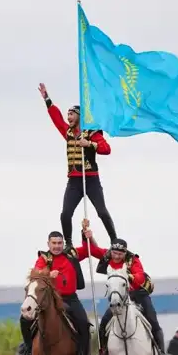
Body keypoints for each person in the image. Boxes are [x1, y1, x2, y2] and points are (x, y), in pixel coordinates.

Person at [83, 223, 171, 355]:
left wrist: (128, 276)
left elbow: (141, 276)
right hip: (119, 297)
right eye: (115, 253)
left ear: (125, 253)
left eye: (120, 254)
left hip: (138, 294)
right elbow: (94, 250)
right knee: (104, 323)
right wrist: (88, 237)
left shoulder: (133, 260)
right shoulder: (108, 256)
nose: (116, 256)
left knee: (152, 320)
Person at [38, 82, 116, 247]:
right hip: (74, 181)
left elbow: (106, 149)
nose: (68, 117)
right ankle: (69, 244)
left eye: (71, 114)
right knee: (65, 214)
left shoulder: (92, 132)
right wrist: (47, 99)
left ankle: (114, 240)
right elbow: (56, 118)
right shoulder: (67, 132)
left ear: (80, 116)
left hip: (91, 179)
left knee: (102, 212)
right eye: (68, 114)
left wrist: (88, 144)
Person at [16, 227, 94, 355]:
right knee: (24, 319)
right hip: (50, 299)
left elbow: (88, 249)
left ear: (63, 243)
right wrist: (48, 274)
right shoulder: (44, 258)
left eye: (59, 243)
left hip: (70, 298)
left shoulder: (71, 254)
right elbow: (36, 273)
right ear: (48, 244)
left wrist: (87, 236)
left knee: (84, 323)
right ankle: (27, 349)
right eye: (54, 243)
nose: (57, 246)